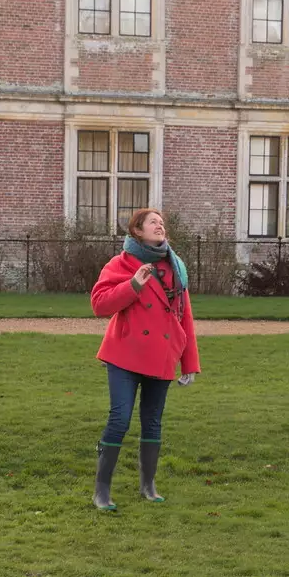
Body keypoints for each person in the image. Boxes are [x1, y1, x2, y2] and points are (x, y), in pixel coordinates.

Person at [88, 208, 201, 511]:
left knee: (152, 422)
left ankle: (148, 486)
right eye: (153, 222)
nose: (160, 225)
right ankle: (102, 491)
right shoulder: (121, 263)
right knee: (119, 419)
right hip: (124, 355)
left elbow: (184, 317)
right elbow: (99, 305)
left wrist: (190, 362)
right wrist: (133, 285)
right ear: (137, 230)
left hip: (162, 356)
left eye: (162, 222)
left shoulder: (175, 267)